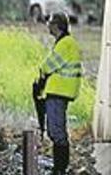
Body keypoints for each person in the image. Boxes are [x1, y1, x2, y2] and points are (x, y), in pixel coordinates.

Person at [36, 13, 82, 175]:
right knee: (54, 130)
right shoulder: (66, 42)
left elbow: (48, 66)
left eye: (49, 22)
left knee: (56, 131)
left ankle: (60, 168)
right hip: (59, 91)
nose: (47, 25)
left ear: (56, 25)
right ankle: (59, 167)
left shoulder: (65, 43)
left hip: (59, 92)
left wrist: (41, 74)